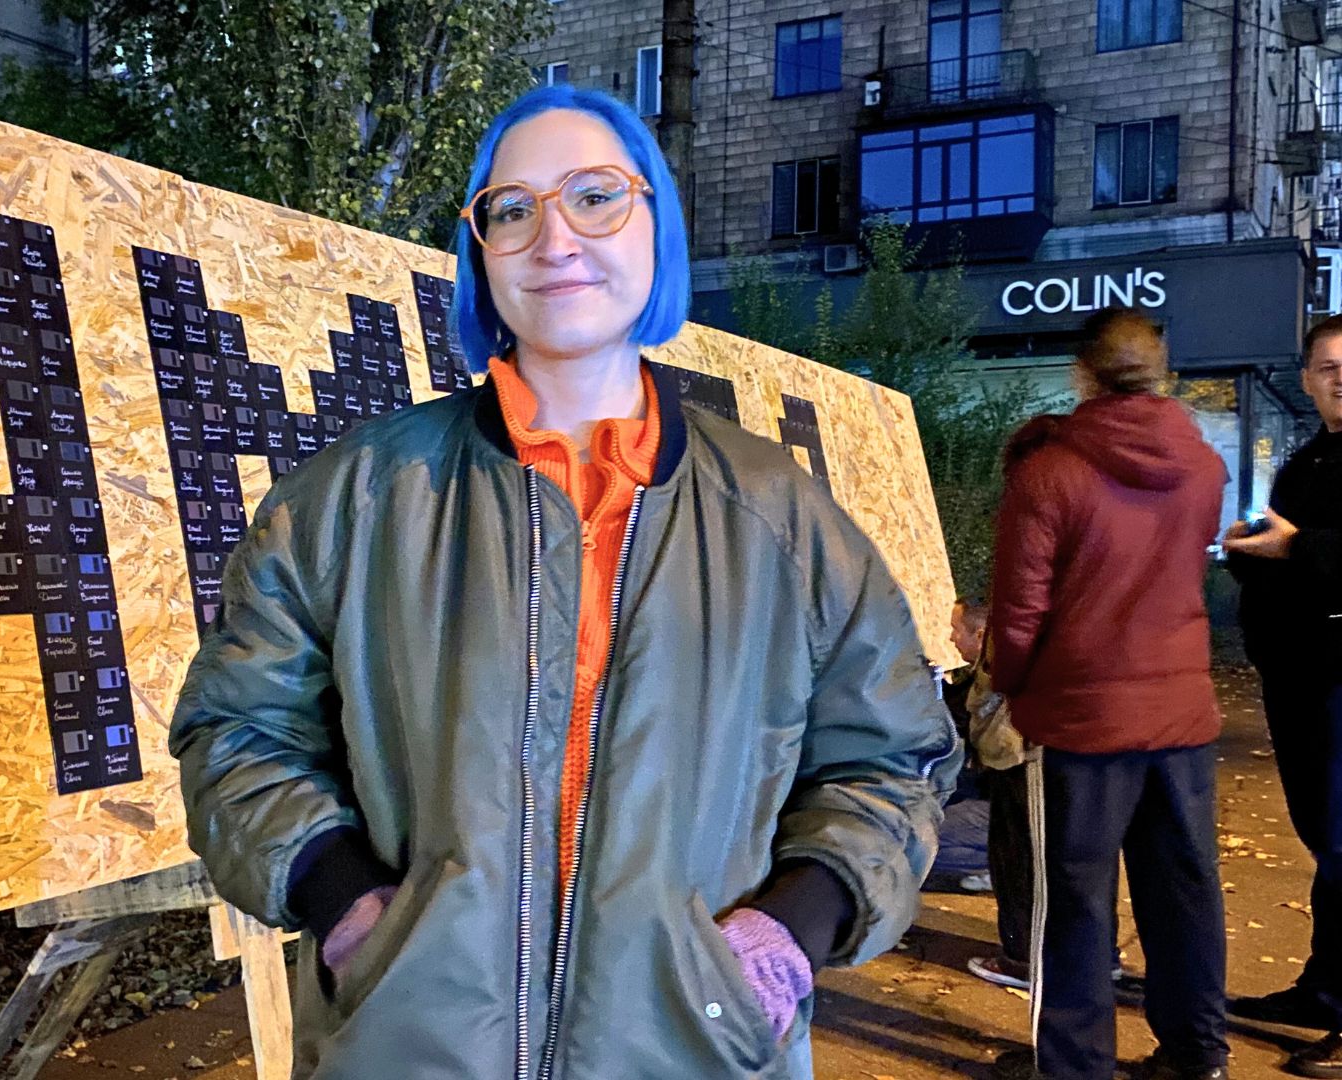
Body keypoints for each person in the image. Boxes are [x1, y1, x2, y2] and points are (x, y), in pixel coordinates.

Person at [169, 84, 960, 1079]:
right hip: (412, 1048)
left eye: (595, 196)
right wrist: (353, 910)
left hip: (691, 1051)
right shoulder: (353, 500)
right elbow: (237, 731)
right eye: (512, 210)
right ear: (481, 255)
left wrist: (792, 927)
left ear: (659, 224)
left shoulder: (786, 522)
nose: (555, 239)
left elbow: (893, 761)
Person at [987, 308, 1229, 1080]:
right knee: (1185, 892)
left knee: (1074, 902)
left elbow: (1020, 610)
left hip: (1082, 722)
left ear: (1082, 372)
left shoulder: (1047, 471)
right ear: (1162, 373)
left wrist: (1009, 687)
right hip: (1182, 716)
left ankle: (1075, 1066)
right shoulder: (1204, 466)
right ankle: (1198, 1056)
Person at [1225, 314, 1342, 1078]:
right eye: (1328, 367)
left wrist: (1295, 545)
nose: (1341, 379)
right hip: (1300, 681)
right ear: (1305, 379)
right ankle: (1323, 991)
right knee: (1329, 842)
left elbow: (1306, 550)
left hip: (1338, 682)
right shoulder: (1307, 460)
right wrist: (1247, 553)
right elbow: (1281, 555)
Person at [951, 599, 1036, 991]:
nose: (950, 638)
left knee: (1016, 858)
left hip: (1018, 762)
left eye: (956, 629)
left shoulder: (1000, 674)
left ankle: (1021, 959)